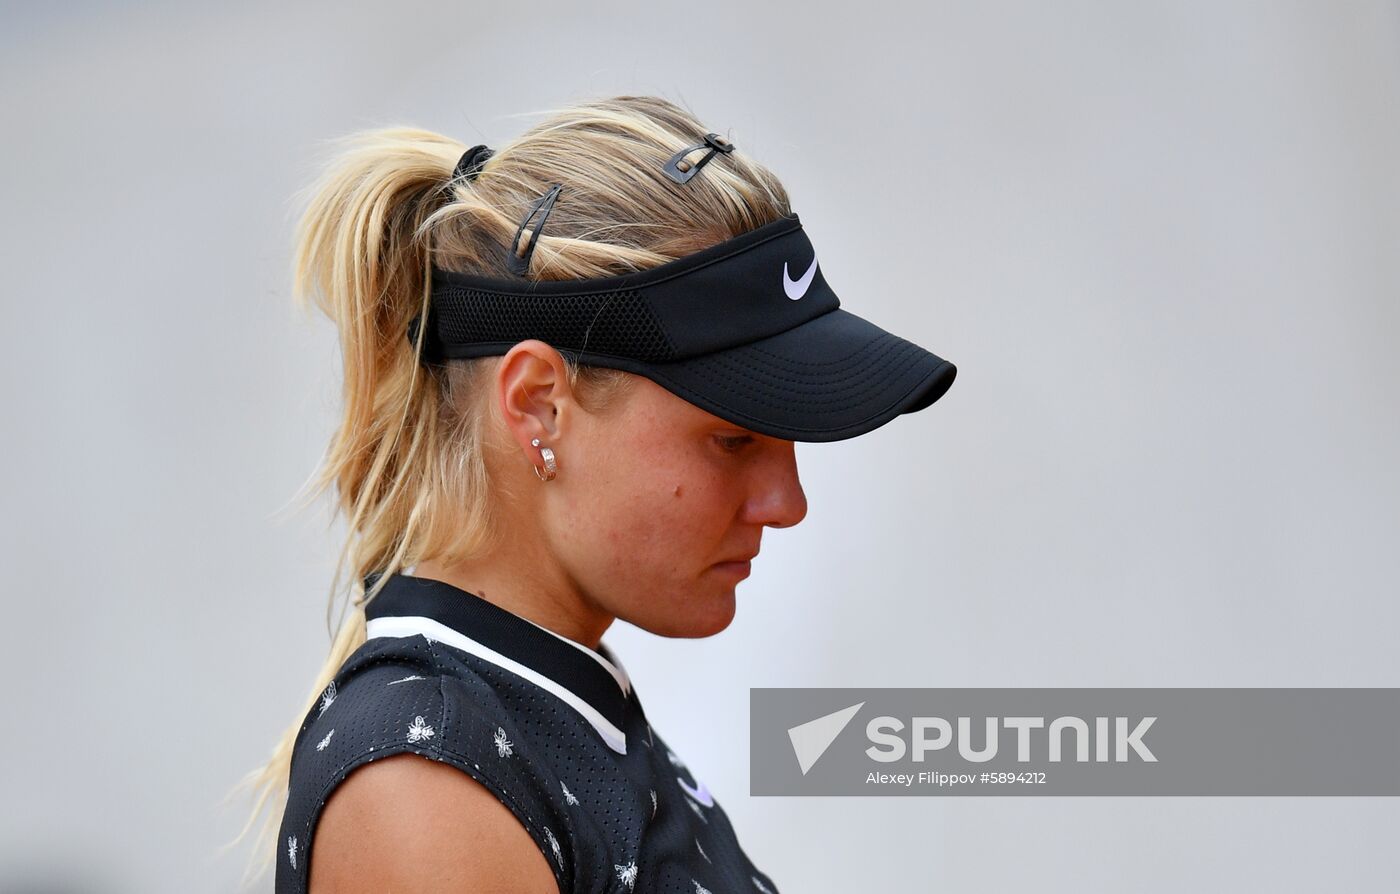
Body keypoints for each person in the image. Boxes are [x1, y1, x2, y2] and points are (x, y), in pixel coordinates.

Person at [232, 94, 956, 893]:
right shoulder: (426, 787)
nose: (787, 503)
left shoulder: (537, 709)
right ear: (539, 403)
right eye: (735, 439)